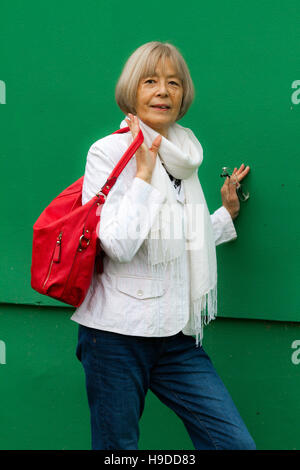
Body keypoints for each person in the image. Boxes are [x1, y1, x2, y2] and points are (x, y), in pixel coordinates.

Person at [71, 41, 256, 451]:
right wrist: (142, 176)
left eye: (173, 83)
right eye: (150, 81)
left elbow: (181, 237)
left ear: (183, 95)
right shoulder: (108, 152)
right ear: (132, 91)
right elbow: (118, 243)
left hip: (176, 335)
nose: (163, 91)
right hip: (116, 335)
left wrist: (224, 216)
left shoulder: (184, 155)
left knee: (234, 444)